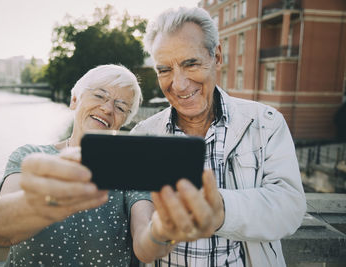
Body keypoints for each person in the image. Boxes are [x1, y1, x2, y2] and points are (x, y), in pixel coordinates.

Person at [130, 7, 307, 266]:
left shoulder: (265, 123)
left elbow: (290, 208)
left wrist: (219, 211)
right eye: (165, 70)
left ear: (217, 56)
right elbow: (142, 232)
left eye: (190, 63)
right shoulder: (143, 136)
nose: (178, 84)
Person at [0, 64, 170, 266]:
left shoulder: (130, 170)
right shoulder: (29, 157)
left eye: (120, 107)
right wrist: (50, 198)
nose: (107, 108)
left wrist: (163, 231)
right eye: (100, 96)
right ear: (75, 100)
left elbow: (145, 241)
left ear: (124, 121)